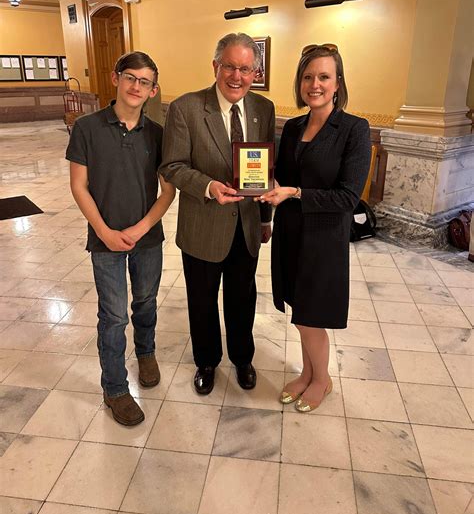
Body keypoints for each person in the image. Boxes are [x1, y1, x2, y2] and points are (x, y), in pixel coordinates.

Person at [160, 33, 275, 395]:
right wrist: (209, 186)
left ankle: (243, 358)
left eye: (245, 69)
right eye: (230, 66)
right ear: (215, 66)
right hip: (203, 226)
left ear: (255, 72)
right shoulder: (185, 108)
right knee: (202, 300)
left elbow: (266, 166)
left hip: (247, 227)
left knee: (243, 297)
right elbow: (173, 165)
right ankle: (206, 362)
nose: (237, 76)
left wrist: (267, 218)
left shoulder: (263, 109)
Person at [260, 44, 371, 412]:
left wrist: (294, 192)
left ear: (337, 83)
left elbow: (348, 197)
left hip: (323, 238)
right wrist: (262, 183)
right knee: (299, 310)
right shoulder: (292, 127)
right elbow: (280, 178)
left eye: (323, 76)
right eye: (308, 77)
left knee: (312, 316)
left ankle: (321, 380)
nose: (315, 84)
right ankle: (307, 373)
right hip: (291, 233)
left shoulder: (354, 129)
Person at [66, 51, 175, 426]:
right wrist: (105, 232)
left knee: (145, 302)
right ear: (116, 78)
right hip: (104, 240)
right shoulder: (87, 127)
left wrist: (141, 227)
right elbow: (79, 186)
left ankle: (146, 352)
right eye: (130, 77)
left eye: (145, 82)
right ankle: (114, 389)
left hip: (147, 237)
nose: (136, 86)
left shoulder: (158, 134)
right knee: (112, 316)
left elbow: (167, 191)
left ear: (153, 90)